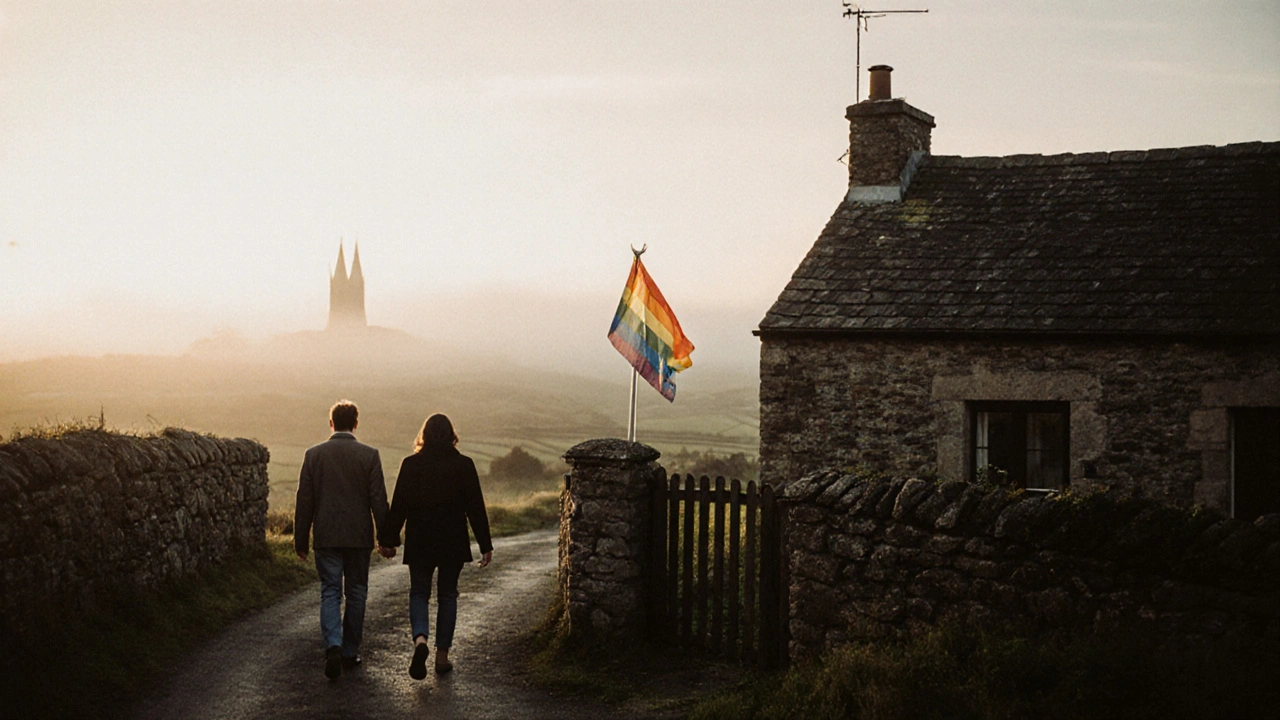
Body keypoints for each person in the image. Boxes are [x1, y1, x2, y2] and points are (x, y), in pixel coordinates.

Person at [379, 413, 493, 679]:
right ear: (452, 435)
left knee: (419, 592)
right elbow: (476, 508)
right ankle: (442, 657)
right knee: (447, 595)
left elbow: (399, 508)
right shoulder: (464, 465)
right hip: (453, 541)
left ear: (424, 435)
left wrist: (388, 540)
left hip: (420, 540)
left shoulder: (411, 464)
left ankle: (420, 641)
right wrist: (485, 544)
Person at [294, 399, 395, 680]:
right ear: (356, 423)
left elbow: (305, 501)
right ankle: (350, 651)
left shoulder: (313, 455)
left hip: (326, 535)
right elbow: (379, 500)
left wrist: (301, 540)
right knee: (357, 592)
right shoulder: (369, 455)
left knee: (329, 591)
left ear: (331, 423)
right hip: (358, 536)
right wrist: (386, 539)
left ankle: (333, 646)